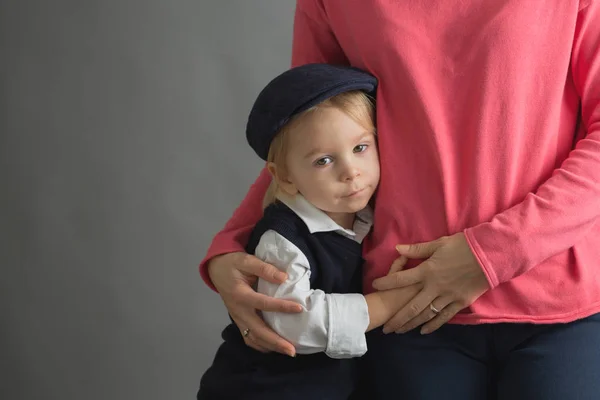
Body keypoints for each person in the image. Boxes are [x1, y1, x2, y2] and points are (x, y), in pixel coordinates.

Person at [200, 1, 600, 399]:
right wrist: (231, 245)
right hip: (406, 307)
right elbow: (306, 135)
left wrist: (493, 254)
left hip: (559, 300)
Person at [198, 63, 419, 400]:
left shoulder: (367, 220)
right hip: (261, 390)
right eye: (323, 161)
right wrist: (391, 303)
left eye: (361, 148)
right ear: (285, 176)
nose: (351, 172)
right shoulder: (281, 240)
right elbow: (296, 323)